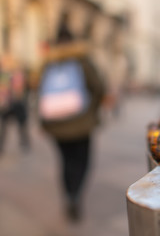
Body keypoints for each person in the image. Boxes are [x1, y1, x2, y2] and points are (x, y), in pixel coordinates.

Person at [37, 14, 105, 222]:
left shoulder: (49, 63)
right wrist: (90, 111)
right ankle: (76, 194)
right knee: (83, 161)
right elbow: (99, 87)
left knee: (65, 161)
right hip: (82, 124)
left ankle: (69, 194)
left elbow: (40, 93)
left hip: (57, 125)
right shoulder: (82, 60)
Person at [0, 51, 29, 153]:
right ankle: (2, 145)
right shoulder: (4, 74)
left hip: (17, 103)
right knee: (4, 126)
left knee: (21, 124)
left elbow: (19, 89)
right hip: (8, 104)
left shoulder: (17, 73)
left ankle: (25, 143)